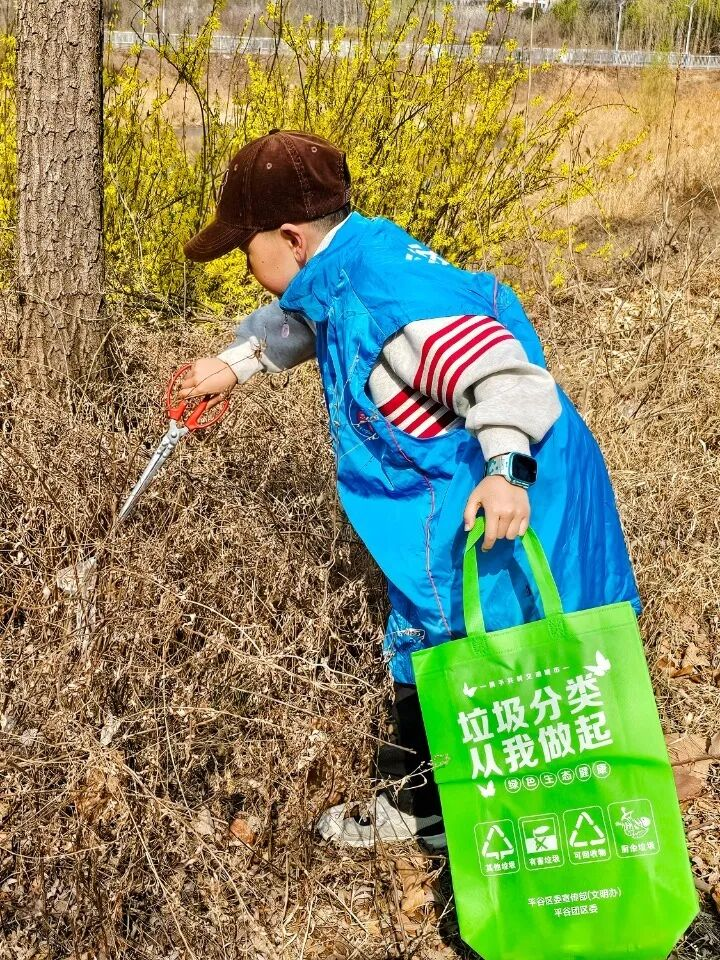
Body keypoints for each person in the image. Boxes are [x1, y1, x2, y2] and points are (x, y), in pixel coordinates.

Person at [179, 130, 641, 850]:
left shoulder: (388, 298)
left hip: (517, 482)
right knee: (433, 634)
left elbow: (500, 372)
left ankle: (538, 832)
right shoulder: (352, 260)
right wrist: (234, 365)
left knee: (514, 647)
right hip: (463, 487)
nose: (245, 264)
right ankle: (429, 803)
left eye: (247, 246)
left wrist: (506, 470)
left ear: (292, 238)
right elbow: (307, 316)